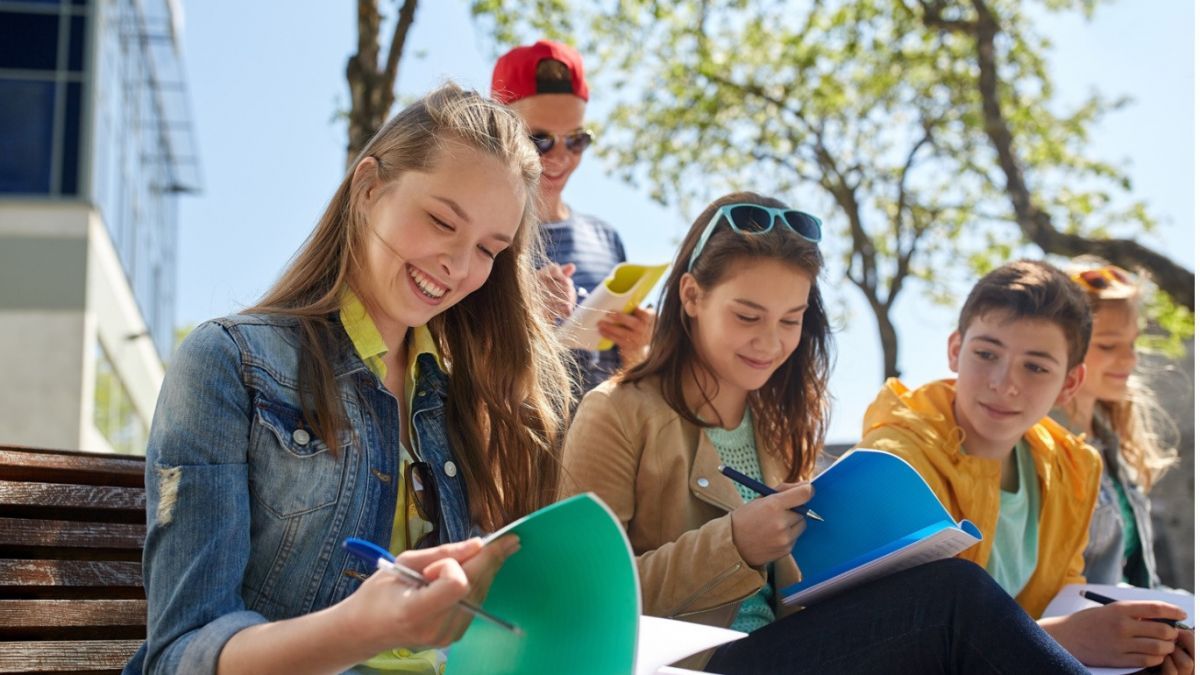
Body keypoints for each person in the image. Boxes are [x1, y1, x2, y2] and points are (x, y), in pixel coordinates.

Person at [122, 83, 572, 675]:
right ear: (368, 188)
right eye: (442, 221)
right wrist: (361, 629)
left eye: (490, 250)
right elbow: (179, 656)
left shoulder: (470, 395)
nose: (460, 267)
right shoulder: (230, 362)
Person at [559, 192, 1090, 674]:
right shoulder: (616, 412)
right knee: (955, 597)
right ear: (692, 296)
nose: (770, 342)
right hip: (692, 665)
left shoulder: (779, 424)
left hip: (789, 647)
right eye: (748, 316)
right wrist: (733, 544)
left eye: (790, 320)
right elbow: (580, 604)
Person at [858, 260, 1193, 673]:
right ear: (955, 350)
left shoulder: (1074, 469)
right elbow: (894, 644)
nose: (1004, 383)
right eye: (986, 354)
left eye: (1035, 367)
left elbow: (1066, 602)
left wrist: (1142, 655)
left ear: (1069, 383)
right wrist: (1059, 640)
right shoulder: (895, 463)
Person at [491, 39, 654, 395]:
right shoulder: (479, 238)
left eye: (576, 140)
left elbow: (625, 382)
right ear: (497, 133)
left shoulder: (605, 239)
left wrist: (638, 352)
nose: (561, 157)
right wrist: (524, 316)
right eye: (540, 139)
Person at [1053, 261, 1179, 587]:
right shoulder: (1037, 448)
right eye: (1108, 345)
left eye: (1132, 344)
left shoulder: (1115, 443)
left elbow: (1140, 577)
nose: (1130, 359)